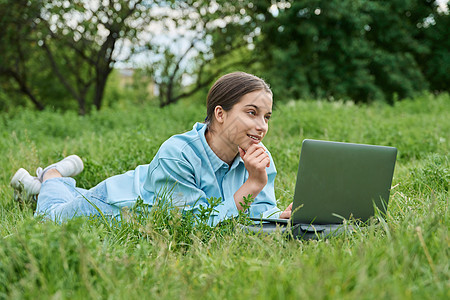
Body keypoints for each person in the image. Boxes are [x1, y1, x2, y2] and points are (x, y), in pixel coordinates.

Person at [10, 72, 292, 226]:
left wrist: (278, 216)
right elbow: (199, 225)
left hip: (146, 192)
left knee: (65, 200)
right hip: (114, 204)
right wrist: (254, 183)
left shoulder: (258, 157)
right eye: (252, 113)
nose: (261, 126)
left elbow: (255, 212)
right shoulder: (178, 153)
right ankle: (52, 175)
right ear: (220, 114)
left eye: (266, 117)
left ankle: (47, 185)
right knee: (50, 218)